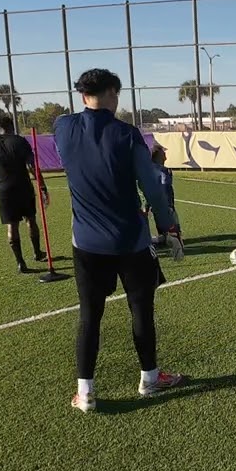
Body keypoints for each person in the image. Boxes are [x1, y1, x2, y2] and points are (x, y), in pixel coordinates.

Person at [53, 68, 186, 413]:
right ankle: (150, 379)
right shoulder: (127, 134)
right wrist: (169, 226)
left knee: (90, 316)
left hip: (86, 244)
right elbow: (152, 189)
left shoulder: (63, 127)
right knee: (141, 311)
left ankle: (85, 393)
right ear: (113, 94)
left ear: (83, 95)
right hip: (131, 241)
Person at [0, 115, 48, 273]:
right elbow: (32, 167)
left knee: (12, 225)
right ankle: (37, 253)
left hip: (4, 190)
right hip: (23, 187)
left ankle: (20, 263)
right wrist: (42, 186)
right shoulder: (20, 141)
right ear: (12, 125)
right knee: (30, 220)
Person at [146, 143, 181, 249]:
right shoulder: (163, 170)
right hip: (164, 201)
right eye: (163, 151)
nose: (165, 153)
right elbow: (164, 186)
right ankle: (171, 237)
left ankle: (164, 236)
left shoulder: (149, 168)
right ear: (158, 155)